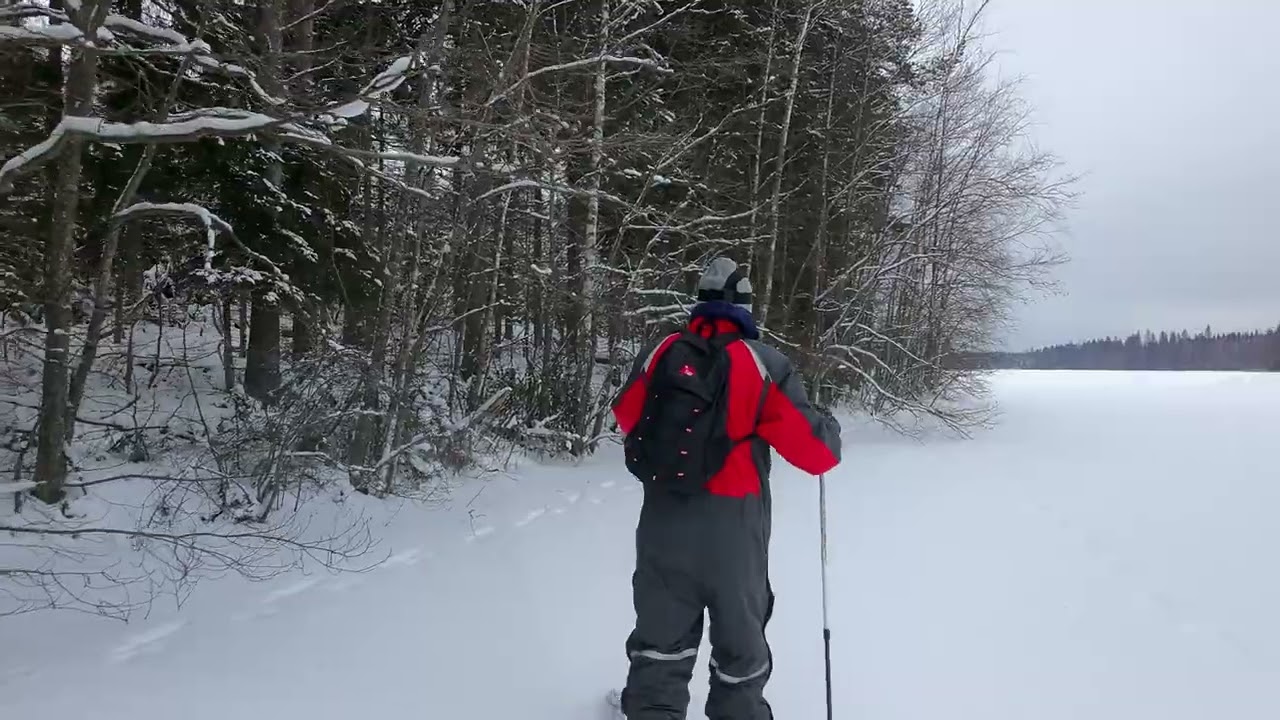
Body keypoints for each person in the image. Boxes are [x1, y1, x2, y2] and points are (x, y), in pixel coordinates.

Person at [610, 256, 843, 719]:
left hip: (664, 522)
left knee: (660, 642)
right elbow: (816, 454)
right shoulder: (762, 363)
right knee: (740, 649)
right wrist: (827, 423)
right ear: (746, 308)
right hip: (735, 530)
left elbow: (626, 416)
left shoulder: (662, 353)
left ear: (699, 305)